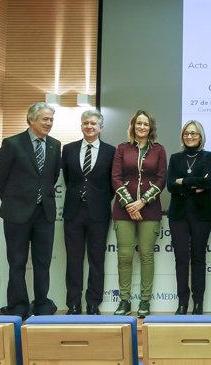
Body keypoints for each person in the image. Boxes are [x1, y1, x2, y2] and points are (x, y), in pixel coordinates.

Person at [0, 102, 61, 318]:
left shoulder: (54, 144)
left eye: (51, 119)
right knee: (17, 262)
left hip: (45, 213)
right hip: (16, 213)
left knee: (43, 263)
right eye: (45, 119)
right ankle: (18, 306)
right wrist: (14, 200)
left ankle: (42, 305)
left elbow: (51, 177)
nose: (49, 123)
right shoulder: (12, 144)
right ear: (31, 119)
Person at [111, 109, 167, 317]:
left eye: (145, 124)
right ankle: (124, 300)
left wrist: (142, 202)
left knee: (146, 255)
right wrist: (129, 204)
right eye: (138, 123)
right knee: (124, 256)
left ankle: (145, 301)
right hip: (123, 209)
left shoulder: (159, 150)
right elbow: (115, 177)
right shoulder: (122, 148)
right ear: (133, 126)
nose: (142, 127)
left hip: (149, 209)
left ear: (150, 127)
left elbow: (162, 179)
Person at [61, 109, 116, 315]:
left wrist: (97, 199)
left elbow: (112, 184)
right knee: (73, 260)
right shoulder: (68, 149)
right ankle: (73, 304)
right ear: (81, 126)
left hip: (99, 213)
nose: (89, 126)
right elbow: (68, 178)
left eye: (93, 123)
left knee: (96, 259)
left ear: (101, 127)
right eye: (85, 123)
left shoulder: (111, 151)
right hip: (73, 212)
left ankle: (93, 303)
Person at [167, 120, 211, 315]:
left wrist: (183, 182)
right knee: (181, 259)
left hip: (201, 214)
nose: (190, 136)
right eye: (187, 133)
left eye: (194, 133)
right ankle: (182, 303)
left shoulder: (209, 157)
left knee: (198, 258)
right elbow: (170, 185)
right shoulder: (175, 158)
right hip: (178, 215)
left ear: (200, 136)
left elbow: (209, 181)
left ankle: (198, 303)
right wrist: (195, 185)